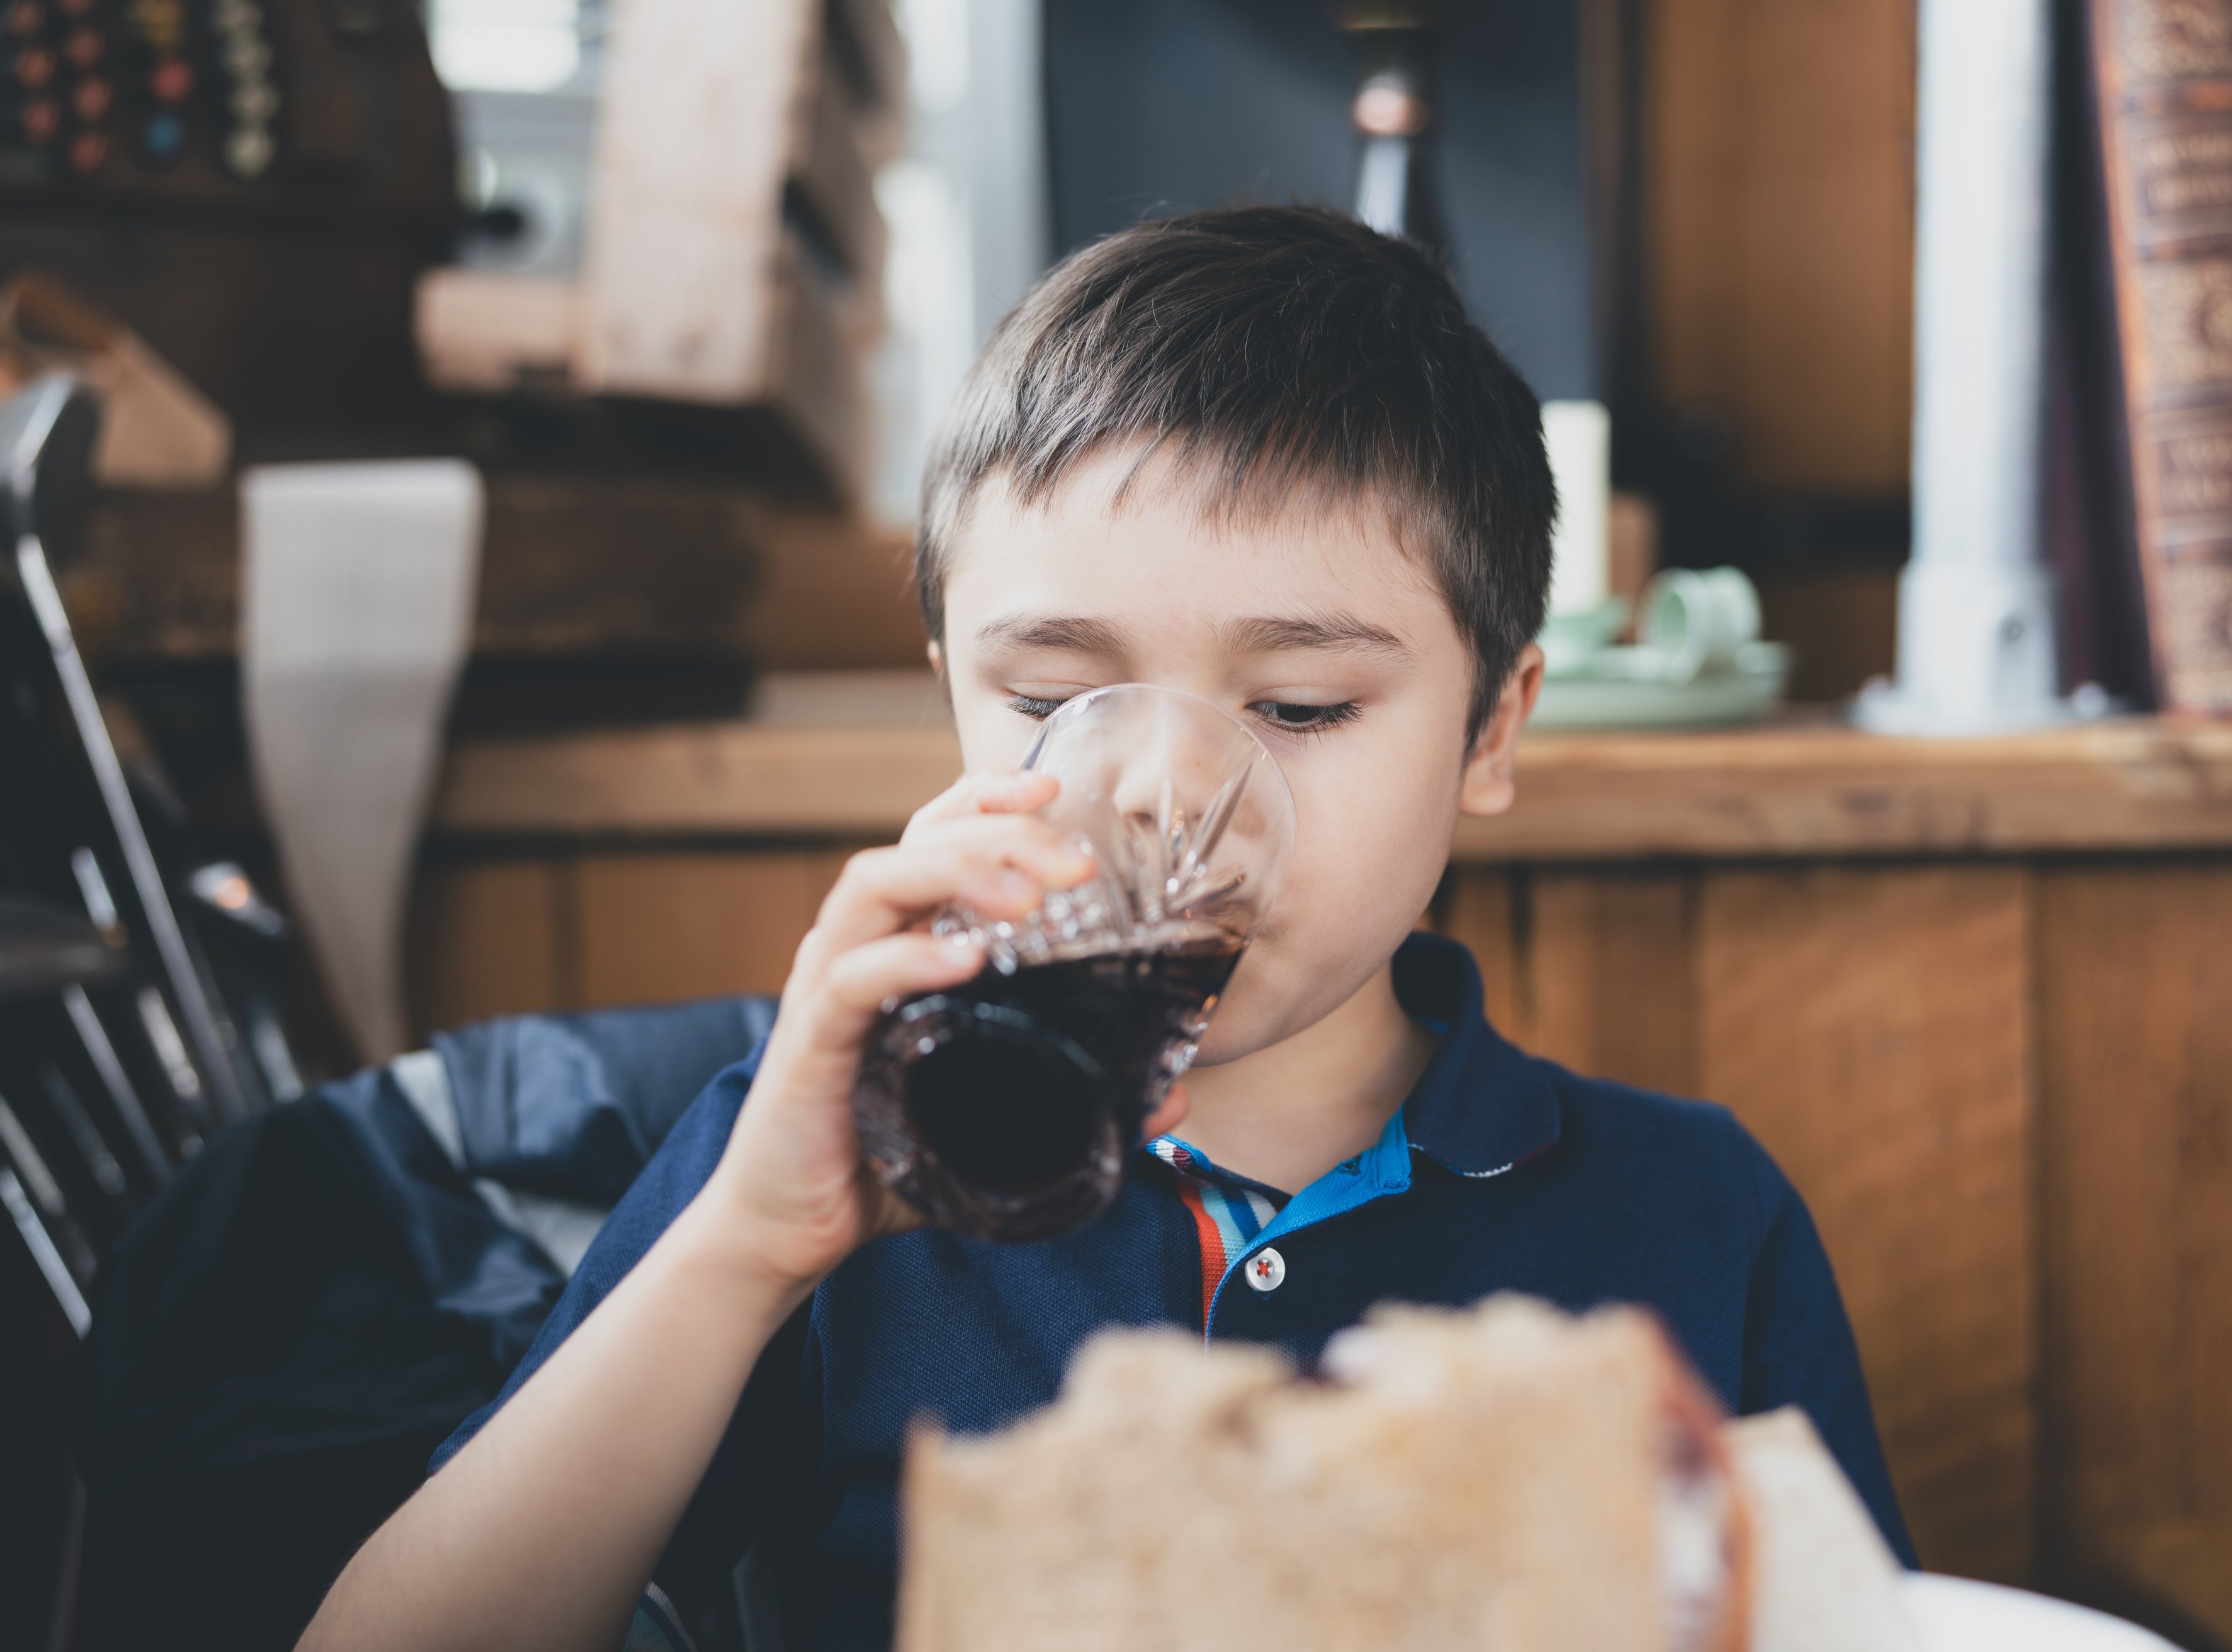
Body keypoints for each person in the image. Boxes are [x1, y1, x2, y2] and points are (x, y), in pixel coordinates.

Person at [300, 205, 1911, 1652]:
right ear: (952, 693)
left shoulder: (1695, 1219)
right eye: (1054, 700)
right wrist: (745, 1251)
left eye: (1297, 705)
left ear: (1492, 728)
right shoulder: (826, 1181)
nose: (1159, 793)